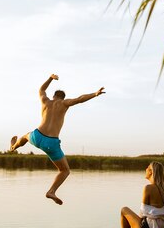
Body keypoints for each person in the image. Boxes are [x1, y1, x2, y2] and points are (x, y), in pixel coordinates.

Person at [10, 73, 105, 205]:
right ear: (62, 97)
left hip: (37, 136)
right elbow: (79, 99)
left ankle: (14, 147)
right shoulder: (64, 103)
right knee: (65, 171)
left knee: (26, 136)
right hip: (51, 143)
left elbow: (41, 90)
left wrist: (50, 78)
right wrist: (95, 94)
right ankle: (51, 191)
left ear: (54, 96)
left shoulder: (46, 101)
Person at [120, 161, 164, 228]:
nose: (145, 169)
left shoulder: (148, 188)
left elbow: (142, 212)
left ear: (151, 172)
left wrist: (135, 223)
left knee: (124, 209)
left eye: (147, 168)